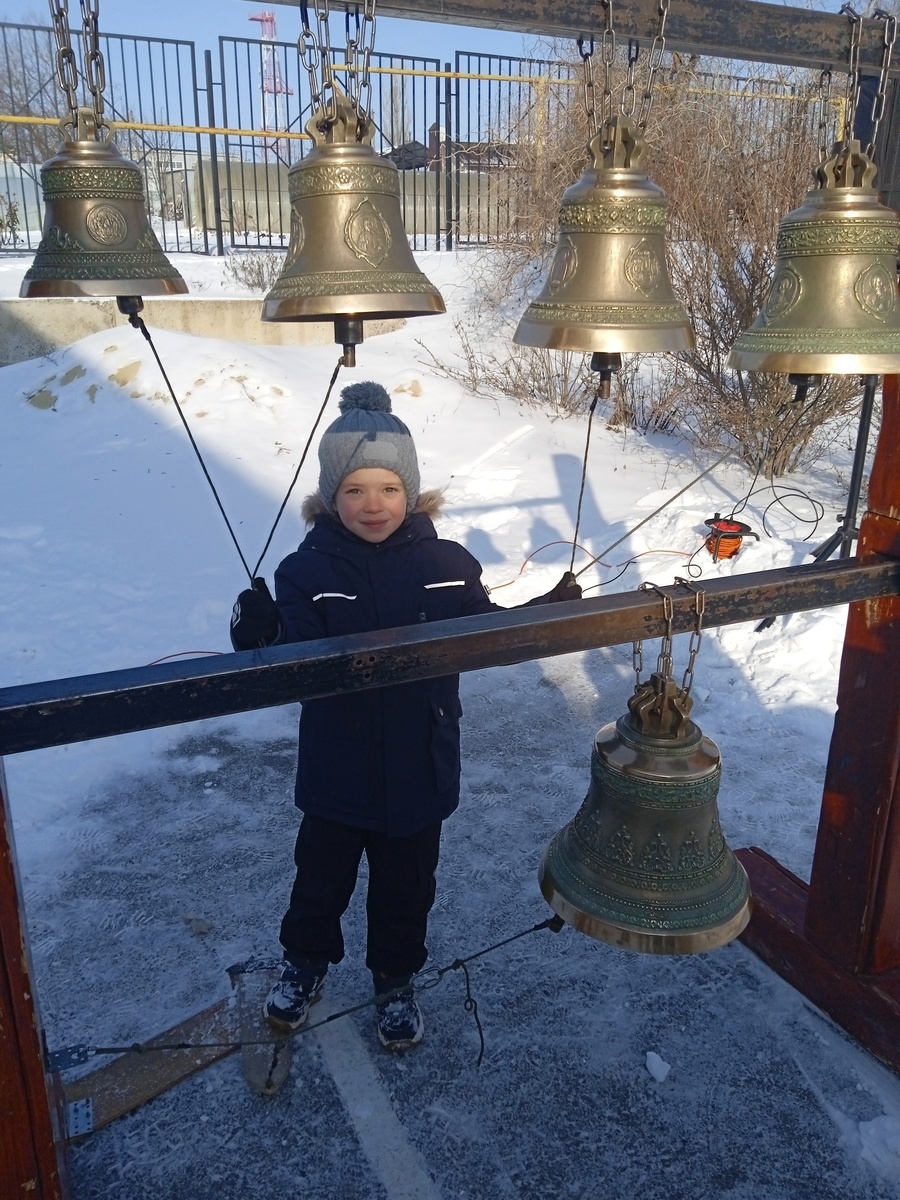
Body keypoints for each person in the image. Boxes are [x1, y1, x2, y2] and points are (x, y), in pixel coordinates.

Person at [229, 380, 582, 1053]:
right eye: (356, 489)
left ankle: (395, 979)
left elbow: (491, 635)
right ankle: (306, 964)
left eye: (388, 488)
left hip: (420, 768)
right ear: (332, 496)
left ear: (412, 492)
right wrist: (260, 635)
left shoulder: (447, 565)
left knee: (406, 889)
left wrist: (548, 610)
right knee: (320, 881)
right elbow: (289, 657)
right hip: (337, 771)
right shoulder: (306, 570)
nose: (373, 504)